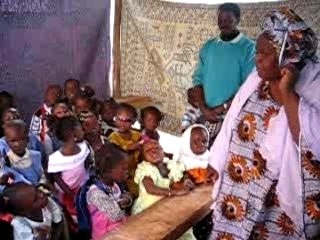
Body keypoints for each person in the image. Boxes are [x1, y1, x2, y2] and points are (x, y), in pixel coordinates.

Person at [209, 8, 320, 239]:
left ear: (286, 56)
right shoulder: (254, 82)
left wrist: (287, 91)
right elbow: (230, 125)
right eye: (257, 51)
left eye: (264, 53)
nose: (256, 58)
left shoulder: (312, 89)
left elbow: (311, 147)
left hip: (274, 208)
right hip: (236, 193)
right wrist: (216, 163)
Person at [192, 3, 255, 146]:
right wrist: (203, 107)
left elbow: (249, 86)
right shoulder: (209, 46)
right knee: (197, 152)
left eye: (228, 20)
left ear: (238, 20)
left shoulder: (248, 48)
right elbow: (197, 79)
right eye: (220, 20)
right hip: (205, 111)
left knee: (222, 157)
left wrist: (222, 108)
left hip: (231, 114)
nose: (223, 24)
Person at [132, 140, 195, 240]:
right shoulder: (145, 168)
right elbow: (151, 189)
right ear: (143, 157)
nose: (154, 151)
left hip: (167, 207)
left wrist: (186, 179)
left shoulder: (170, 165)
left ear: (163, 151)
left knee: (181, 230)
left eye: (157, 148)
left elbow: (183, 173)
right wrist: (175, 192)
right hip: (149, 210)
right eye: (148, 150)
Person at [76, 144, 131, 240]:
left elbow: (126, 195)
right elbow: (115, 215)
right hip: (104, 234)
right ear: (108, 170)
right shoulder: (95, 192)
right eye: (124, 169)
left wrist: (127, 199)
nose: (127, 172)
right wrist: (124, 202)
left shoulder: (115, 184)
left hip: (118, 227)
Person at [47, 116, 90, 222]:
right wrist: (70, 193)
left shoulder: (83, 147)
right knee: (75, 216)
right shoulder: (56, 159)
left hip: (83, 187)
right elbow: (56, 178)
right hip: (67, 193)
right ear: (74, 133)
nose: (84, 131)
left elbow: (86, 164)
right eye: (81, 129)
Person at [108, 103, 142, 198]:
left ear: (133, 121)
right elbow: (114, 155)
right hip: (123, 174)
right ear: (115, 119)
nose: (123, 123)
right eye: (120, 119)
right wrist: (129, 148)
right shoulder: (113, 137)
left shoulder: (137, 135)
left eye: (127, 120)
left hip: (136, 170)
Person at [3, 120, 45, 185]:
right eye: (13, 141)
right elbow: (9, 182)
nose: (17, 144)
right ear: (7, 141)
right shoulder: (7, 161)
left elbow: (42, 175)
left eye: (22, 139)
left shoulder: (36, 155)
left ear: (27, 139)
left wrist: (41, 185)